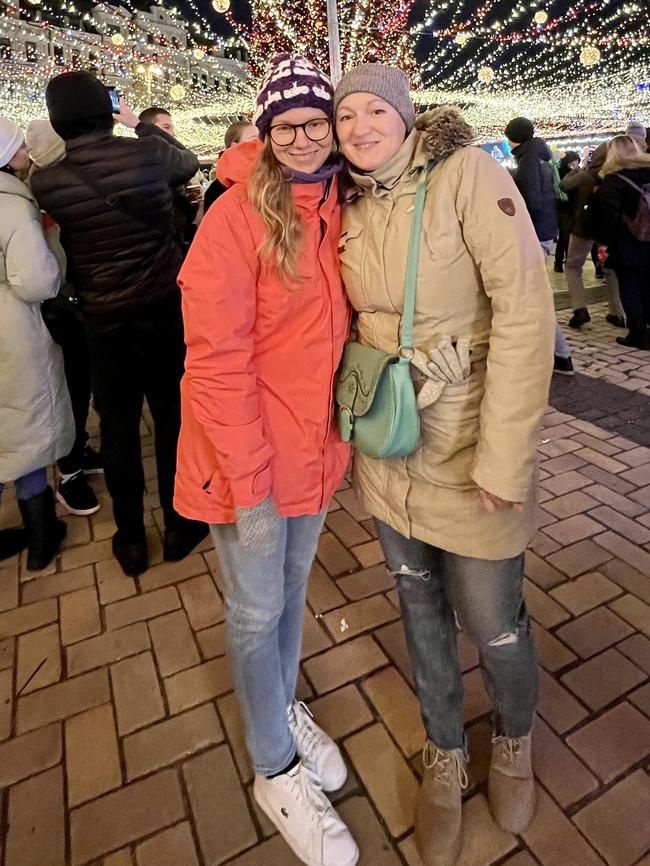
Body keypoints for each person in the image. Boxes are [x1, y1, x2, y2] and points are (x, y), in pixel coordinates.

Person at [335, 67, 555, 866]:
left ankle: (514, 737)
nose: (358, 127)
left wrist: (504, 456)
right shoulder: (347, 203)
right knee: (418, 604)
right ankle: (444, 750)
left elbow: (527, 317)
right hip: (388, 445)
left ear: (405, 115)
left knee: (493, 621)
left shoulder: (469, 175)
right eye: (344, 114)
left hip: (468, 449)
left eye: (373, 110)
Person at [174, 55, 358, 866]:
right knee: (256, 611)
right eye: (287, 126)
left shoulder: (342, 204)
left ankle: (281, 706)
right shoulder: (233, 219)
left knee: (288, 597)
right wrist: (249, 488)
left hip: (315, 455)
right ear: (266, 129)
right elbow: (215, 364)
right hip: (248, 461)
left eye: (317, 122)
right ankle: (272, 761)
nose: (306, 138)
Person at [31, 71, 208, 577]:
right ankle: (179, 524)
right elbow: (188, 161)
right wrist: (139, 124)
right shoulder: (148, 155)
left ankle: (130, 538)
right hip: (162, 309)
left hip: (103, 321)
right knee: (172, 418)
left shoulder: (49, 183)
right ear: (106, 109)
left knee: (118, 427)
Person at [0, 116, 74, 569]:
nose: (27, 153)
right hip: (12, 330)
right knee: (22, 430)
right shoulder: (13, 206)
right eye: (19, 147)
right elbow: (36, 281)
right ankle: (42, 538)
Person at [26, 118, 103, 518]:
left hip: (77, 303)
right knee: (69, 389)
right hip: (60, 309)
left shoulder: (57, 184)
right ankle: (69, 472)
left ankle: (79, 451)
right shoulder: (42, 192)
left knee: (80, 384)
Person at [505, 117, 574, 376]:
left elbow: (529, 201)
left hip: (534, 233)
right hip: (544, 230)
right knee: (531, 294)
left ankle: (559, 354)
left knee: (533, 296)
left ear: (514, 137)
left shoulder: (529, 160)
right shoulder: (539, 156)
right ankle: (556, 353)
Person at [560, 142, 626, 330]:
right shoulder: (618, 175)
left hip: (583, 227)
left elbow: (563, 185)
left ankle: (580, 308)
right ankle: (617, 312)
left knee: (573, 266)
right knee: (610, 269)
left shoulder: (586, 175)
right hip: (608, 229)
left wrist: (581, 167)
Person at [594, 134, 650, 349]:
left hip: (627, 244)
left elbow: (608, 217)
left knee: (630, 288)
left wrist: (603, 244)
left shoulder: (613, 180)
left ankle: (637, 333)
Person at [138, 105, 202, 254]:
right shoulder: (142, 163)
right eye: (166, 127)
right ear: (148, 129)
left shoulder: (171, 166)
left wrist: (193, 203)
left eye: (172, 128)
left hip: (176, 242)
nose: (172, 134)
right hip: (160, 248)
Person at [203, 120, 258, 212]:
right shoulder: (217, 191)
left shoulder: (274, 179)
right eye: (254, 140)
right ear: (235, 147)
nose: (262, 144)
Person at [553, 150, 579, 272]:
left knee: (571, 237)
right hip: (563, 208)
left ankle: (569, 261)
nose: (575, 163)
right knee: (564, 236)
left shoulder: (578, 173)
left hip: (574, 208)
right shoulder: (559, 172)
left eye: (577, 161)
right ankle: (558, 262)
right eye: (573, 161)